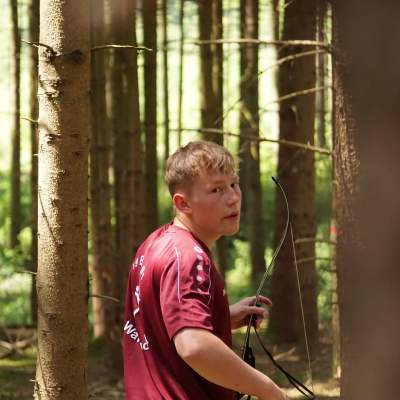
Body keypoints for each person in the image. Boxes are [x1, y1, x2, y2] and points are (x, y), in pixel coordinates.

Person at [124, 141, 291, 400]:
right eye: (216, 190)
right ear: (183, 204)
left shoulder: (157, 242)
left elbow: (161, 326)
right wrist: (269, 391)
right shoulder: (188, 257)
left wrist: (222, 315)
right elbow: (194, 346)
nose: (233, 198)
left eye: (234, 184)